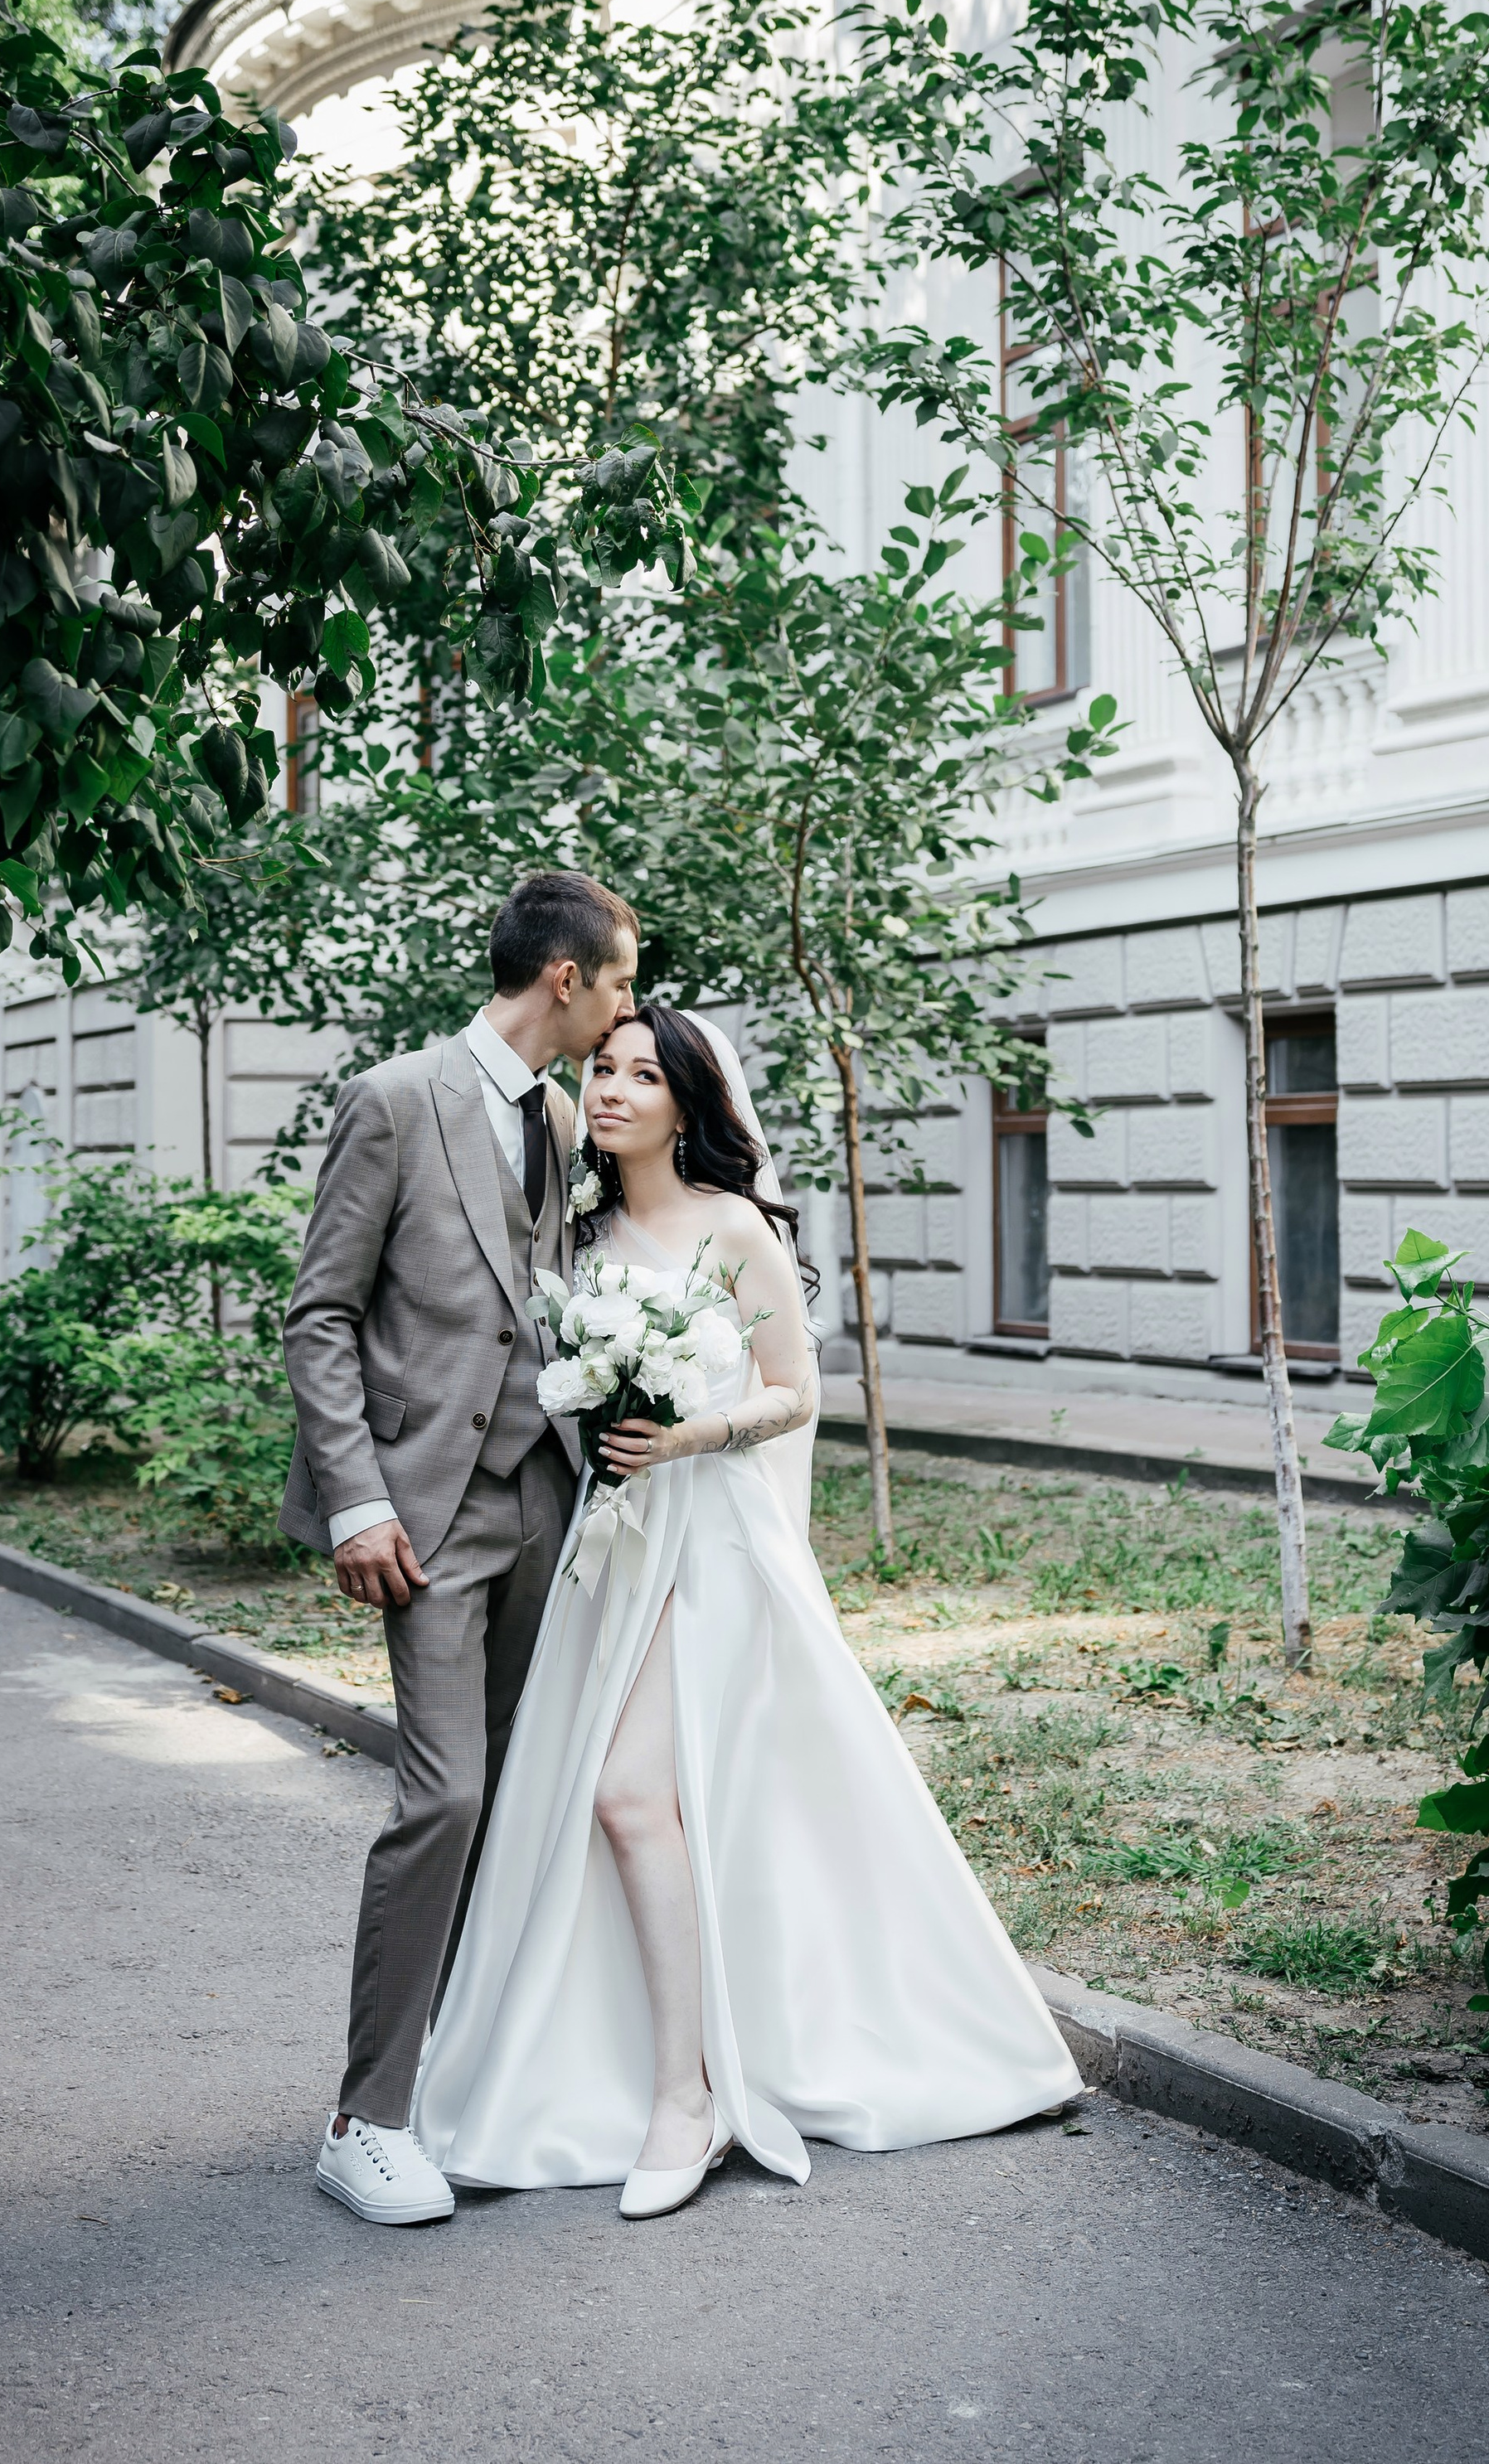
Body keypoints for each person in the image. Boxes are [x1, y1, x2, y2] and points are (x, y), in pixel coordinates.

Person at [410, 1000, 1081, 2220]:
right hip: (614, 1548)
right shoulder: (583, 1227)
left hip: (711, 1538)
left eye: (639, 1076)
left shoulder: (733, 1230)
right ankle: (634, 2067)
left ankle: (689, 2093)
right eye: (600, 1069)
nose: (608, 1091)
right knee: (609, 1801)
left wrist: (691, 1433)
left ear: (688, 1103)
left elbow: (797, 1389)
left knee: (624, 1793)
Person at [280, 869, 640, 2224]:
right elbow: (320, 1314)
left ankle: (461, 2075)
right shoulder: (395, 1098)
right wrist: (359, 1500)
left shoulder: (556, 1114)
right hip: (425, 1517)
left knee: (528, 1794)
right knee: (444, 1799)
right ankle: (360, 2117)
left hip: (542, 1500)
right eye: (617, 978)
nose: (623, 1003)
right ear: (565, 978)